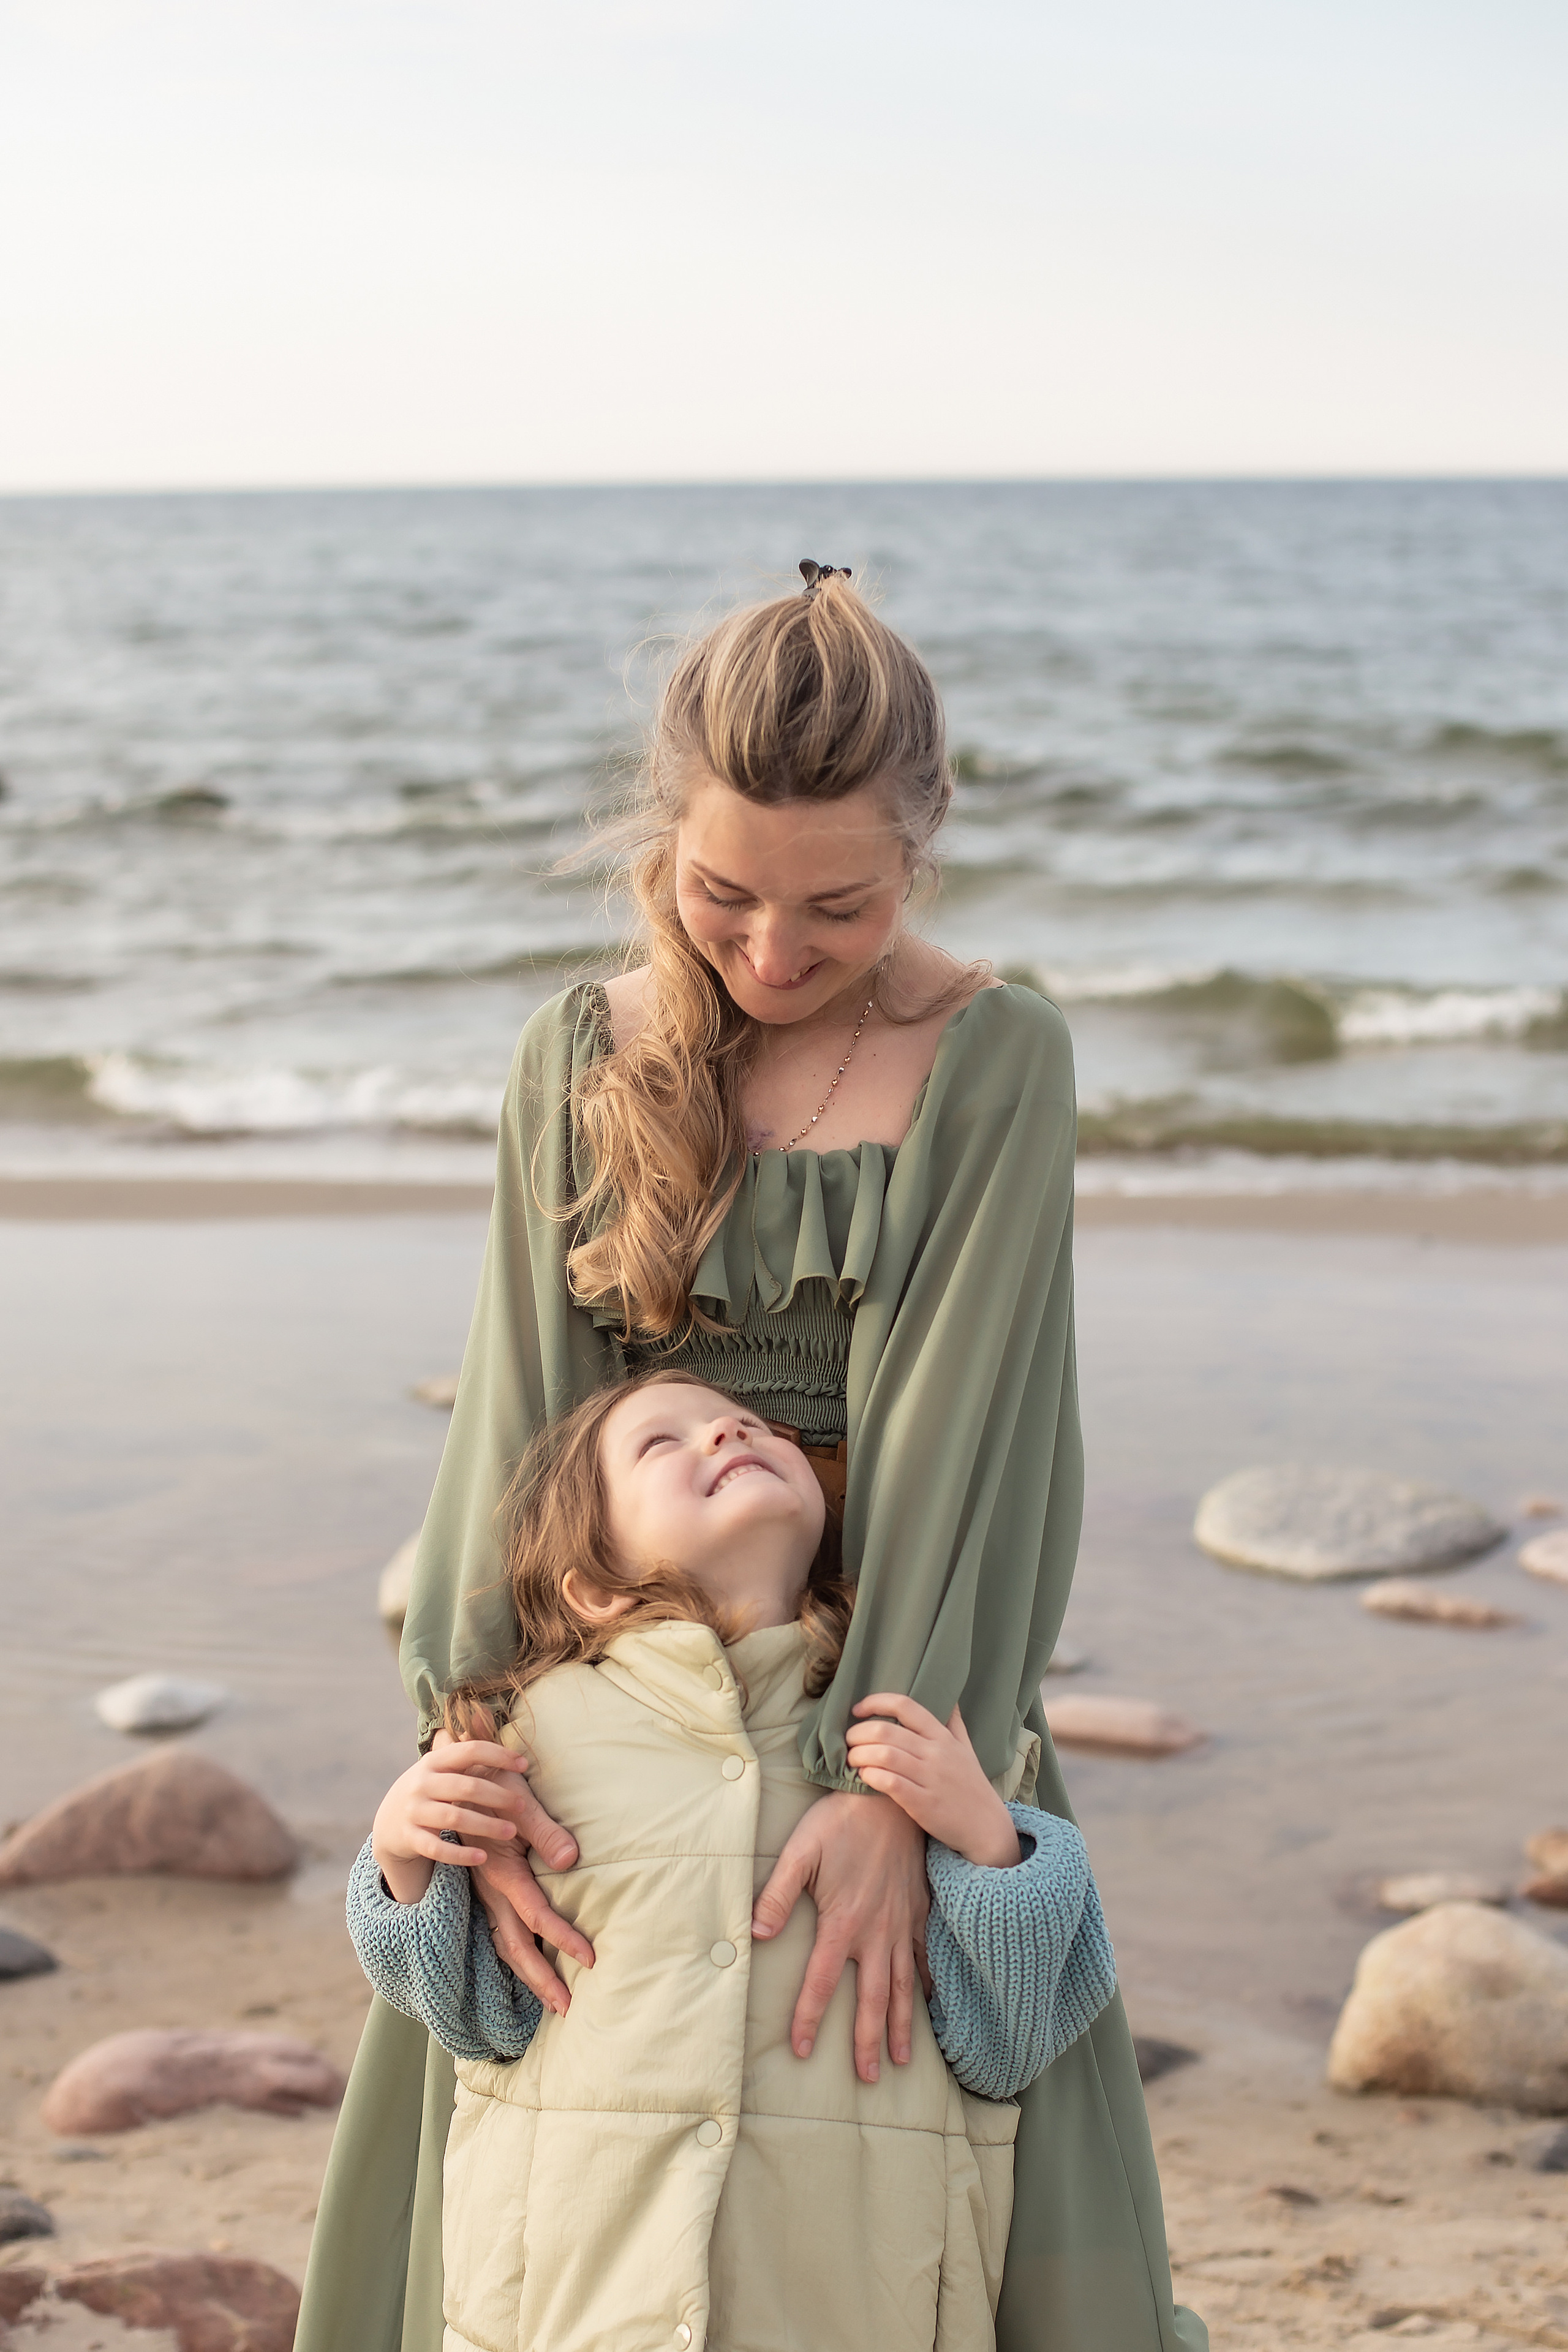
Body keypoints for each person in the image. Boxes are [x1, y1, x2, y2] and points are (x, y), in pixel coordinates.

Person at [295, 563, 1207, 2352]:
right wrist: (470, 1750)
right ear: (664, 841)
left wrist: (889, 1790)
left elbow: (974, 1448)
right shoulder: (579, 1053)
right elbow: (522, 1424)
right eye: (723, 896)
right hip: (609, 1709)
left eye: (839, 910)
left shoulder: (992, 1059)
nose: (775, 954)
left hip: (887, 1691)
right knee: (548, 2189)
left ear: (921, 857)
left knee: (916, 2149)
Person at [347, 1370, 1117, 2352]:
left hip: (855, 2300)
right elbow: (474, 2018)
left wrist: (990, 1840)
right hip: (579, 2302)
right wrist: (403, 1853)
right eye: (662, 1444)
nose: (726, 1435)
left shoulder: (906, 1744)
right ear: (595, 1583)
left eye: (748, 1423)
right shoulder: (531, 1736)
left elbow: (1007, 2043)